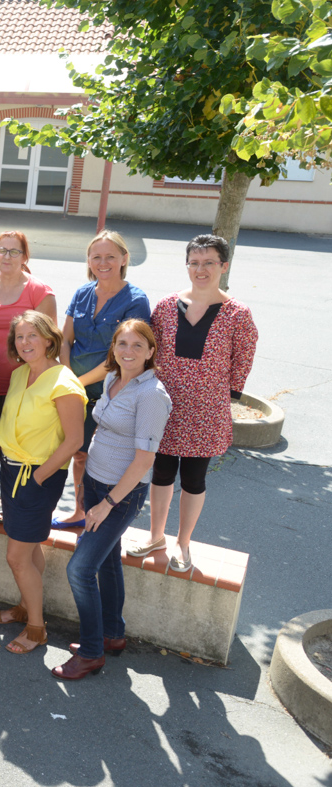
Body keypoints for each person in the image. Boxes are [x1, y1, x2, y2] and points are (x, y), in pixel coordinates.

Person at [128, 235, 258, 572]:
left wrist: (226, 398)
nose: (201, 269)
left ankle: (183, 544)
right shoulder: (167, 305)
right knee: (161, 473)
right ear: (187, 266)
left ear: (223, 266)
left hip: (207, 413)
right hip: (165, 407)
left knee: (195, 479)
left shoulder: (237, 314)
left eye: (209, 262)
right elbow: (150, 349)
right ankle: (156, 535)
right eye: (194, 262)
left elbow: (244, 357)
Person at [55, 320, 171, 680]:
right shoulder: (112, 380)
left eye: (138, 345)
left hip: (120, 495)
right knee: (107, 563)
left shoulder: (152, 395)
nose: (129, 351)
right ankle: (112, 634)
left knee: (80, 569)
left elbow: (144, 460)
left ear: (151, 352)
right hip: (94, 482)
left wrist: (107, 504)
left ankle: (91, 652)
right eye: (123, 343)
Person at [0, 311, 86, 654]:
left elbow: (74, 440)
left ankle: (36, 628)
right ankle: (24, 606)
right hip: (12, 472)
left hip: (37, 477)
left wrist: (39, 478)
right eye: (19, 337)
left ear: (49, 339)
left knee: (16, 557)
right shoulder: (19, 374)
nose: (25, 342)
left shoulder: (64, 381)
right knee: (28, 550)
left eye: (33, 336)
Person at [57, 230, 152, 527]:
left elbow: (122, 354)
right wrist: (67, 375)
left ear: (124, 259)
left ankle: (102, 516)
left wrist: (77, 383)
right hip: (75, 389)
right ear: (88, 260)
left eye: (111, 256)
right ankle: (80, 511)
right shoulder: (82, 293)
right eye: (97, 256)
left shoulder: (135, 300)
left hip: (109, 393)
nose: (103, 262)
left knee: (100, 456)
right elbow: (65, 339)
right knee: (77, 453)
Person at [0, 231, 55, 523]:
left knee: (15, 445)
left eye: (14, 251)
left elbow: (50, 342)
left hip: (25, 383)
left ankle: (10, 500)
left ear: (25, 257)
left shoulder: (39, 292)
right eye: (1, 250)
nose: (6, 256)